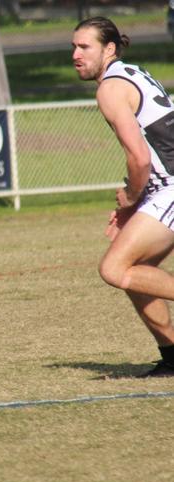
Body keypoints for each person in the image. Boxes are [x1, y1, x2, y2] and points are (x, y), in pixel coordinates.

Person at [72, 17, 174, 377]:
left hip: (171, 186)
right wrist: (135, 204)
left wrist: (131, 198)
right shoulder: (131, 73)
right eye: (74, 47)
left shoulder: (109, 89)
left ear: (109, 48)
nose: (75, 54)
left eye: (85, 47)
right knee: (134, 271)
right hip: (164, 187)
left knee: (114, 269)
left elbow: (141, 158)